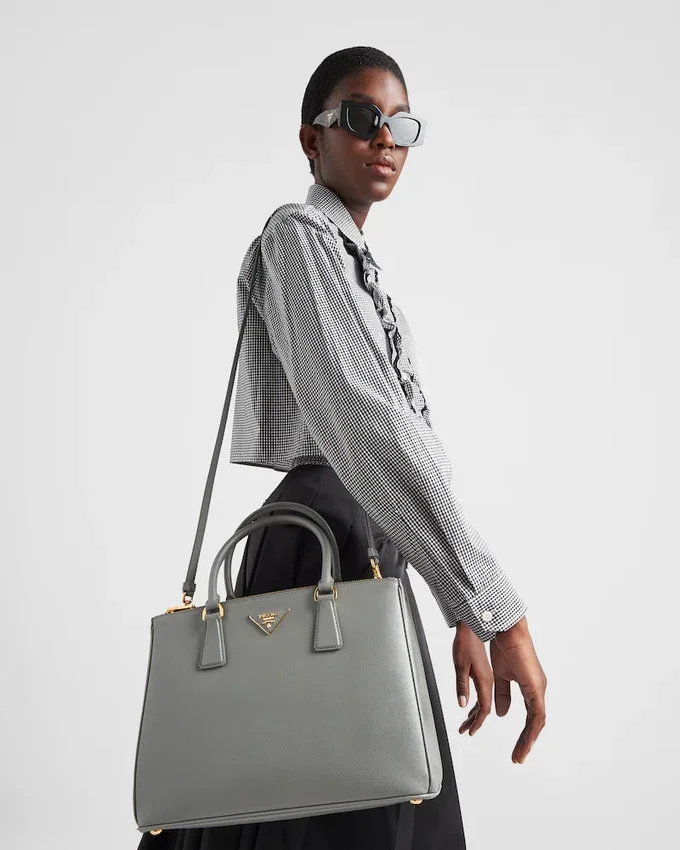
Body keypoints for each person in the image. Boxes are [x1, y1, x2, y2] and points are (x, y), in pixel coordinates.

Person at [138, 45, 547, 850]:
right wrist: (499, 614)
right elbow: (369, 429)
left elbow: (390, 449)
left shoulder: (353, 262)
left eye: (402, 124)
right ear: (311, 139)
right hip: (317, 543)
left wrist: (458, 607)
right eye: (362, 118)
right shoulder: (298, 238)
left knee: (373, 794)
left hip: (362, 546)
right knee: (330, 803)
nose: (385, 138)